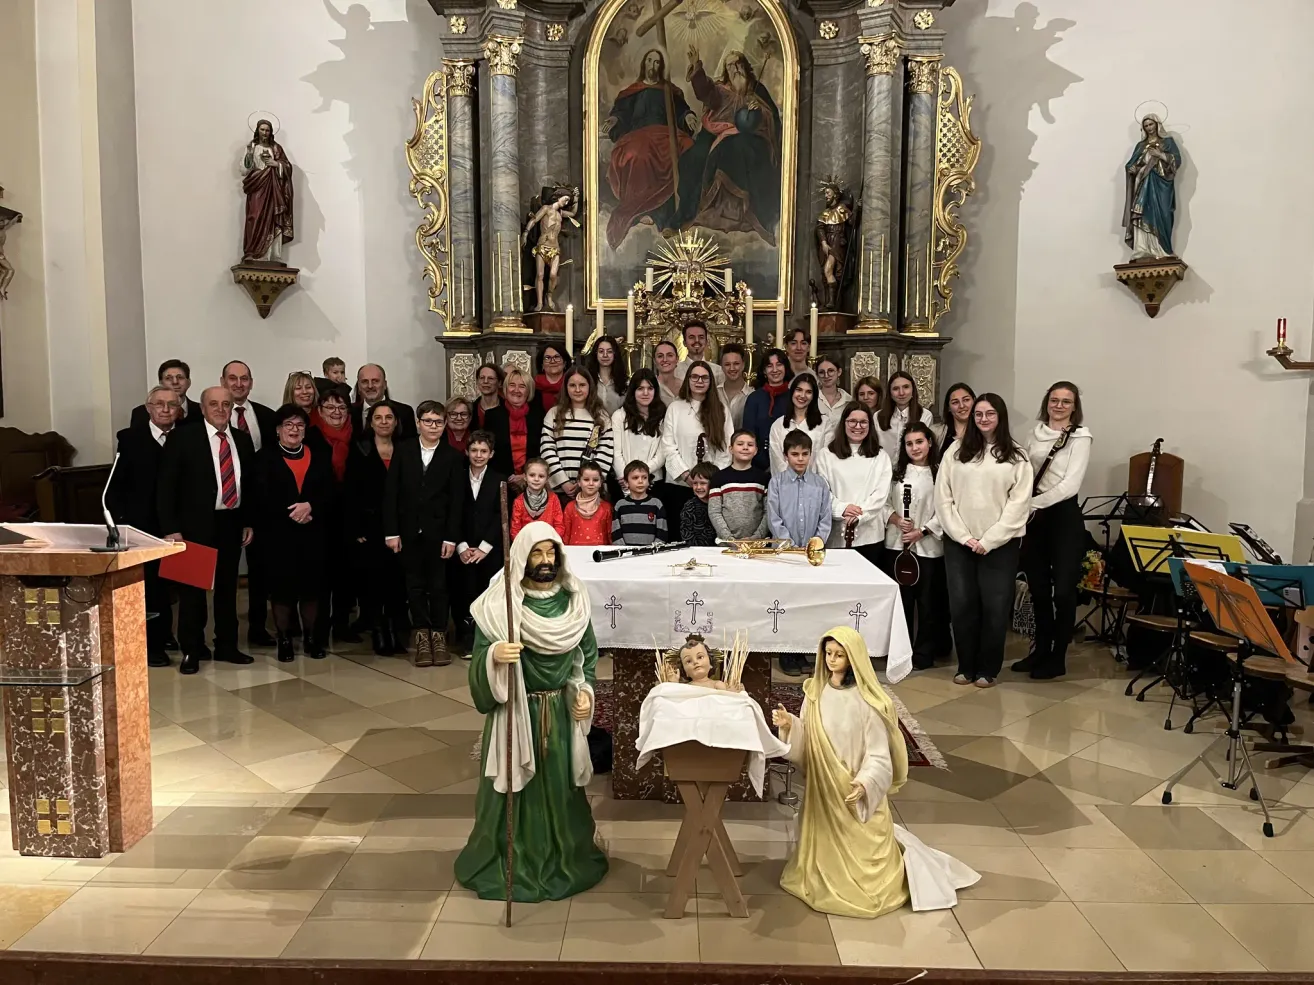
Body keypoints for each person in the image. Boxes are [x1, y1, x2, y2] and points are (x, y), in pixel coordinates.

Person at [772, 628, 978, 917]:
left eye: (839, 655)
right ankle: (821, 875)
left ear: (853, 658)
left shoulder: (867, 702)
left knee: (863, 840)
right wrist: (790, 726)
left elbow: (879, 754)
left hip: (853, 785)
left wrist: (865, 782)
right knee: (824, 836)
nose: (832, 660)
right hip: (824, 788)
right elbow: (809, 739)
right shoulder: (815, 694)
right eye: (828, 653)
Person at [454, 522, 608, 901]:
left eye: (551, 552)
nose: (545, 560)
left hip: (558, 712)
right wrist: (494, 656)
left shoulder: (574, 600)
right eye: (536, 553)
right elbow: (479, 661)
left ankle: (563, 855)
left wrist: (584, 691)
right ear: (522, 557)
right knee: (512, 788)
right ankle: (507, 858)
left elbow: (587, 656)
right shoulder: (500, 604)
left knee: (560, 788)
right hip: (514, 711)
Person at [935, 393, 1033, 688]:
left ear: (1000, 417)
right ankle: (966, 666)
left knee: (995, 606)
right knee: (962, 605)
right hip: (959, 542)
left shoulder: (1017, 455)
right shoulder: (956, 451)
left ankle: (987, 668)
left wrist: (988, 541)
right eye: (978, 414)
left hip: (1000, 545)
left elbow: (1019, 505)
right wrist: (963, 536)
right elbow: (943, 498)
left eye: (990, 414)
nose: (983, 419)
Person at [156, 386, 257, 674]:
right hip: (192, 525)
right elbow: (166, 486)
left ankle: (227, 645)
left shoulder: (241, 440)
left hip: (231, 522)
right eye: (214, 404)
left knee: (227, 587)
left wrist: (247, 520)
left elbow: (248, 485)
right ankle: (192, 649)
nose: (221, 409)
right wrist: (171, 528)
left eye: (226, 404)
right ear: (202, 408)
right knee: (192, 591)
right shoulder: (183, 437)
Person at [1015, 381, 1093, 680]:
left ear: (1074, 407)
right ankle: (1040, 650)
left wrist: (1032, 503)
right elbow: (1024, 472)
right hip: (1035, 520)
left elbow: (1070, 485)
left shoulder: (1080, 437)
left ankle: (1058, 656)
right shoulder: (1033, 433)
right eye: (1054, 400)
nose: (1059, 406)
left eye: (1066, 401)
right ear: (1047, 402)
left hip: (1063, 517)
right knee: (1037, 589)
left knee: (1062, 591)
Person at [384, 400, 464, 667]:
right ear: (418, 423)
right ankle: (421, 635)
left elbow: (456, 501)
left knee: (439, 586)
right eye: (428, 421)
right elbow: (391, 492)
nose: (433, 426)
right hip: (408, 531)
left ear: (445, 425)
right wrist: (392, 531)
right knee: (414, 585)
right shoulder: (404, 450)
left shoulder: (453, 456)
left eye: (438, 422)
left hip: (439, 533)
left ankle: (439, 636)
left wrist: (451, 537)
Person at [255, 405, 335, 662]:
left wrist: (311, 507)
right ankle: (285, 640)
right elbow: (260, 496)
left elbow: (331, 491)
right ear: (278, 430)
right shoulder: (264, 457)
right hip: (278, 535)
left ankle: (311, 639)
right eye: (288, 425)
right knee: (282, 590)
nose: (294, 429)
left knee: (312, 588)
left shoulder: (319, 455)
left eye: (299, 425)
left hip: (314, 532)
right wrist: (292, 512)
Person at [108, 385, 180, 667]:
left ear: (179, 410)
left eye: (172, 405)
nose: (165, 410)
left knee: (178, 584)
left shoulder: (187, 437)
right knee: (151, 587)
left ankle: (171, 635)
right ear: (148, 408)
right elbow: (117, 486)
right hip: (142, 526)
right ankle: (153, 645)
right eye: (159, 404)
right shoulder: (129, 439)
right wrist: (119, 523)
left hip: (178, 525)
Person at [603, 48, 696, 248]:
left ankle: (674, 212)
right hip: (639, 134)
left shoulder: (669, 91)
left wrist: (687, 116)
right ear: (644, 64)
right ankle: (642, 211)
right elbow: (622, 113)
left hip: (665, 133)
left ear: (660, 67)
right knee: (639, 155)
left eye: (657, 62)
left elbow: (681, 110)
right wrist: (615, 119)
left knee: (688, 148)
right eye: (650, 61)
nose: (653, 66)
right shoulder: (632, 92)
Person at [884, 423, 951, 670]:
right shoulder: (895, 473)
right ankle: (901, 652)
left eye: (919, 442)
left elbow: (946, 509)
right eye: (909, 443)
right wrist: (896, 519)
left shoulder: (940, 473)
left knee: (927, 604)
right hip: (897, 545)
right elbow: (884, 503)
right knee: (901, 603)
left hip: (928, 546)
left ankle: (924, 652)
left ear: (930, 443)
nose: (915, 448)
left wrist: (922, 531)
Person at [346, 401, 407, 657]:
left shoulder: (406, 449)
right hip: (370, 526)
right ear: (370, 422)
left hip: (400, 524)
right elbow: (351, 490)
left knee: (397, 581)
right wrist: (355, 527)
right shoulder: (360, 448)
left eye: (388, 417)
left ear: (396, 422)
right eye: (378, 417)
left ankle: (395, 631)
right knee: (374, 581)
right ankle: (379, 631)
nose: (383, 422)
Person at [451, 431, 506, 659]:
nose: (478, 455)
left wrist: (484, 547)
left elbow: (500, 515)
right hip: (463, 547)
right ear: (467, 452)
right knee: (463, 592)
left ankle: (485, 638)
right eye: (474, 450)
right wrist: (462, 546)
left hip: (488, 549)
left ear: (491, 454)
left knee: (486, 592)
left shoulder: (499, 479)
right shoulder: (456, 477)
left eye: (484, 451)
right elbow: (452, 512)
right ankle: (465, 637)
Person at [311, 386, 358, 644]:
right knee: (320, 575)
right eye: (330, 407)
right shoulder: (311, 437)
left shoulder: (358, 436)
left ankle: (341, 625)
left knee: (345, 574)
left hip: (348, 515)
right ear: (319, 411)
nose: (336, 412)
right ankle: (318, 629)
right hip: (318, 516)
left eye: (341, 407)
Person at [661, 359, 733, 522]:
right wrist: (687, 476)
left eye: (704, 377)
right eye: (694, 377)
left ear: (710, 381)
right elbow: (668, 446)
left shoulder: (721, 410)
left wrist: (711, 478)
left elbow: (727, 448)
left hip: (711, 487)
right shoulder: (675, 408)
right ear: (688, 379)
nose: (699, 381)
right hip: (679, 484)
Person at [817, 402, 891, 558]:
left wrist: (859, 515)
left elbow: (881, 494)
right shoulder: (826, 455)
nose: (858, 426)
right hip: (836, 534)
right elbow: (822, 491)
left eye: (863, 422)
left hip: (870, 536)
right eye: (852, 421)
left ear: (870, 425)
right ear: (844, 422)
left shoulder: (881, 456)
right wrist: (842, 509)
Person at [542, 365, 614, 498]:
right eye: (572, 385)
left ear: (590, 387)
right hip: (560, 490)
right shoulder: (554, 414)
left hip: (592, 490)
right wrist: (562, 481)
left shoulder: (601, 416)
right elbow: (547, 449)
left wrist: (589, 481)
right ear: (565, 388)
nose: (577, 390)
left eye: (582, 385)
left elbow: (606, 452)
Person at [241, 118, 294, 263]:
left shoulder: (276, 148)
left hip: (273, 190)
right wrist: (249, 154)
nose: (265, 133)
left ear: (271, 132)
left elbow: (288, 167)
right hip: (257, 188)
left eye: (267, 130)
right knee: (255, 217)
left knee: (273, 218)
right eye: (262, 130)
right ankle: (253, 252)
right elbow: (245, 170)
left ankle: (272, 255)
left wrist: (276, 164)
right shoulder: (252, 147)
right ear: (257, 131)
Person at [611, 368, 667, 502]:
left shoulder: (663, 416)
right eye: (640, 388)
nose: (645, 393)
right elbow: (616, 453)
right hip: (624, 483)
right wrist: (628, 478)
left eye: (650, 388)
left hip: (654, 482)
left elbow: (662, 453)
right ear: (633, 391)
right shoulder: (619, 416)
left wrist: (642, 476)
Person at [768, 430, 832, 547]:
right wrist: (791, 546)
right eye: (795, 454)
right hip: (783, 550)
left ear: (810, 454)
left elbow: (825, 519)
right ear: (785, 455)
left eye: (805, 454)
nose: (800, 459)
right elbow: (774, 520)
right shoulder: (776, 483)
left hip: (812, 550)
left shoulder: (820, 484)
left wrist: (815, 544)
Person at [485, 367, 544, 490]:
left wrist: (526, 475)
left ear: (529, 391)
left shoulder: (539, 416)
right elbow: (488, 453)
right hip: (500, 482)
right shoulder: (492, 416)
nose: (516, 390)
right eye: (512, 385)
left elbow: (542, 451)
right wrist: (507, 478)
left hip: (533, 481)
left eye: (522, 386)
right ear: (506, 388)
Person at [707, 430, 770, 542]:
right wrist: (729, 538)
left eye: (750, 445)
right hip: (726, 543)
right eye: (740, 444)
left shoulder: (764, 478)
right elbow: (714, 511)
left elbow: (768, 511)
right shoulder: (718, 478)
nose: (745, 448)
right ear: (731, 449)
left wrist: (755, 538)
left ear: (756, 450)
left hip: (757, 544)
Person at [741, 348, 792, 471]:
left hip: (790, 464)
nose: (775, 370)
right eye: (769, 366)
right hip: (759, 466)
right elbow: (748, 435)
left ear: (785, 368)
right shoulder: (754, 399)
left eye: (779, 364)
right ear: (764, 371)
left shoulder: (794, 397)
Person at [769, 375, 826, 475]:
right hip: (784, 482)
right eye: (799, 390)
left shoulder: (825, 424)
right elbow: (777, 462)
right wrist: (792, 481)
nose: (803, 395)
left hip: (816, 481)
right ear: (792, 392)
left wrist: (810, 480)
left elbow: (825, 460)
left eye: (808, 392)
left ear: (814, 396)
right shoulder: (778, 425)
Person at [876, 371, 933, 462]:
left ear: (913, 390)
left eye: (906, 387)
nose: (901, 393)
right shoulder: (878, 416)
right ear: (890, 393)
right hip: (883, 467)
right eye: (896, 389)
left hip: (912, 467)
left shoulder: (925, 415)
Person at [221, 360, 277, 450]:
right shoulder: (210, 416)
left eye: (244, 379)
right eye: (232, 378)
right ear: (223, 382)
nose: (239, 384)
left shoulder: (269, 416)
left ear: (251, 383)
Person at [131, 359, 201, 429]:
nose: (175, 382)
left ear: (189, 382)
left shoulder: (202, 410)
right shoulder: (141, 413)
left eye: (180, 377)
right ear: (161, 383)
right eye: (168, 378)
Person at [611, 461, 669, 545]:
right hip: (626, 552)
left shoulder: (656, 504)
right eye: (635, 478)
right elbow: (616, 532)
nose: (640, 481)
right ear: (626, 483)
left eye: (644, 477)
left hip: (651, 552)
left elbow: (662, 532)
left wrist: (653, 549)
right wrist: (624, 549)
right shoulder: (620, 505)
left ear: (648, 481)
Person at [352, 363, 416, 439]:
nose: (370, 386)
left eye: (375, 381)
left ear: (385, 384)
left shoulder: (404, 412)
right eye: (365, 381)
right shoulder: (349, 412)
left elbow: (411, 444)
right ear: (359, 386)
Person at [658, 634, 743, 690]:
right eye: (688, 661)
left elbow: (724, 702)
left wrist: (731, 694)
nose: (695, 662)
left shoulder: (717, 685)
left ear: (710, 663)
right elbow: (677, 699)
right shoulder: (685, 688)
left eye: (700, 657)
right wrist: (674, 683)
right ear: (684, 671)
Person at [511, 458, 565, 538]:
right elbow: (515, 530)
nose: (536, 479)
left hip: (549, 542)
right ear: (525, 477)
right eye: (532, 475)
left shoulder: (553, 498)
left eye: (541, 476)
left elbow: (559, 526)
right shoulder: (518, 501)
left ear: (547, 479)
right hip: (526, 543)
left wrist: (549, 540)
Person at [562, 461, 613, 546]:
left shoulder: (606, 508)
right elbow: (566, 536)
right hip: (574, 552)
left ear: (601, 483)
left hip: (599, 552)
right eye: (586, 480)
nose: (591, 483)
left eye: (595, 480)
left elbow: (610, 536)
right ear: (579, 482)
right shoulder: (570, 507)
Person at [585, 335, 628, 416]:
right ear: (596, 353)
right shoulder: (587, 379)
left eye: (609, 351)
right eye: (601, 351)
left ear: (615, 354)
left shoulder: (625, 382)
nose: (605, 355)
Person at [673, 322, 726, 387]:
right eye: (691, 337)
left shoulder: (718, 371)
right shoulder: (675, 371)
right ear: (684, 343)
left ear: (706, 342)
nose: (697, 340)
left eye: (701, 337)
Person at [678, 461, 718, 546]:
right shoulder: (690, 507)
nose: (698, 487)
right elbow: (687, 536)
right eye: (695, 483)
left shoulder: (721, 504)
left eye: (703, 483)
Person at [814, 356, 851, 444]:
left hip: (842, 447)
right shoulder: (812, 399)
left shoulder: (849, 401)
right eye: (821, 372)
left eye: (830, 371)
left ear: (839, 372)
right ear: (817, 375)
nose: (826, 376)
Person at [933, 382, 975, 457]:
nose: (962, 406)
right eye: (955, 402)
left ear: (974, 401)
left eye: (966, 400)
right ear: (949, 408)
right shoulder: (936, 432)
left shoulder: (984, 431)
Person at [720, 342, 753, 429]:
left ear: (743, 365)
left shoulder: (752, 395)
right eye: (727, 364)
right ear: (722, 367)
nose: (732, 368)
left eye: (736, 364)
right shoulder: (714, 393)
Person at [534, 342, 570, 413]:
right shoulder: (532, 386)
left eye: (557, 357)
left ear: (565, 363)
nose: (552, 361)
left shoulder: (572, 384)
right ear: (542, 364)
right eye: (547, 358)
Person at [653, 340, 682, 406]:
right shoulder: (651, 387)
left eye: (670, 355)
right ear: (654, 361)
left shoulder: (685, 386)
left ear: (677, 359)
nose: (665, 360)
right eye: (660, 356)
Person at [474, 363, 504, 428]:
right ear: (477, 381)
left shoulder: (507, 410)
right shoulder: (470, 409)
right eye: (482, 378)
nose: (485, 381)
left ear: (500, 383)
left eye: (490, 378)